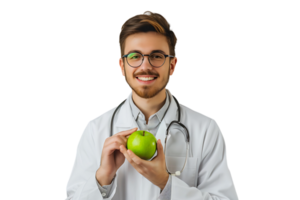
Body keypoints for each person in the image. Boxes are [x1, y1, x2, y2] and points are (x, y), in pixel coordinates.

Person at [64, 10, 240, 200]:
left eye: (156, 56)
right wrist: (102, 177)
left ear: (173, 65)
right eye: (134, 56)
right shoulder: (95, 129)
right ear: (121, 66)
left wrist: (166, 182)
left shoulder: (206, 129)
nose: (145, 66)